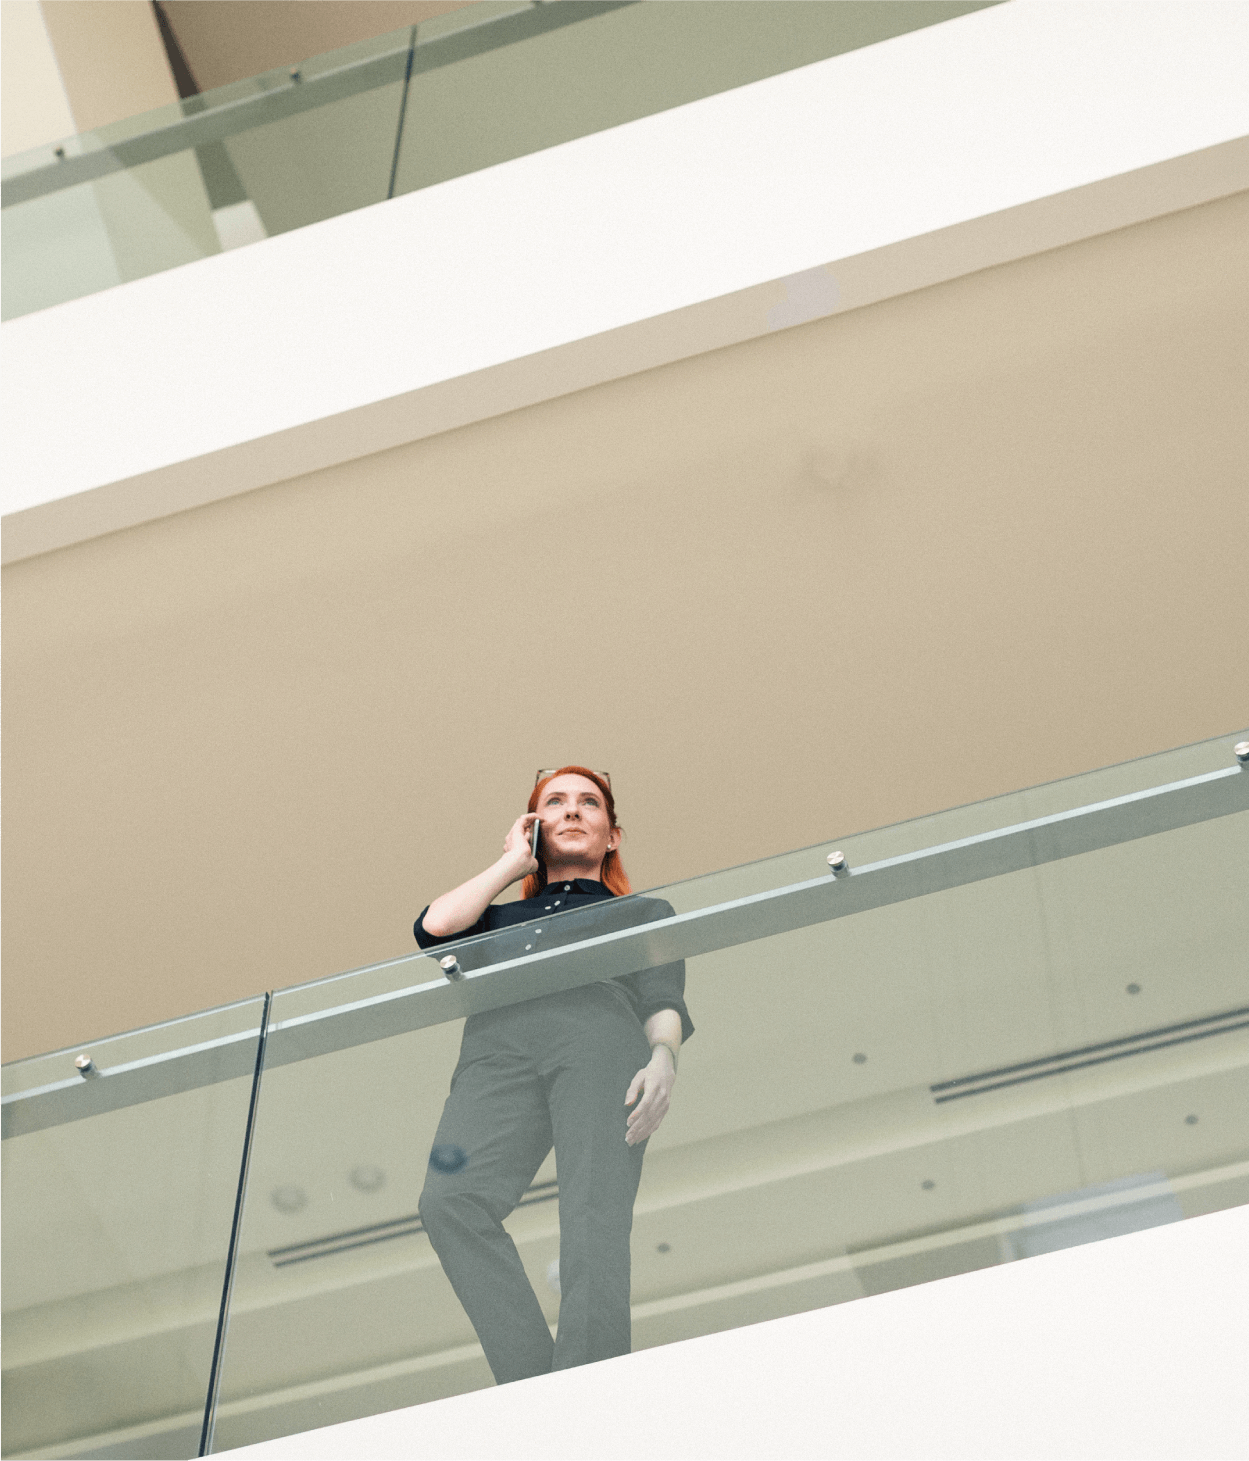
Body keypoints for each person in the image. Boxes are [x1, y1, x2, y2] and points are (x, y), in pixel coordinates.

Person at [413, 766, 694, 1383]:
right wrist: (513, 862)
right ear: (535, 825)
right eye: (555, 803)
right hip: (496, 1051)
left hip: (597, 1038)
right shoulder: (495, 918)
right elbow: (433, 930)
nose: (572, 811)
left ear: (611, 834)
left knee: (594, 1204)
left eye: (588, 803)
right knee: (448, 1201)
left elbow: (662, 994)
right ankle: (532, 1382)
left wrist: (663, 1058)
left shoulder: (642, 911)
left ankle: (590, 1380)